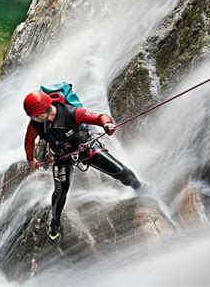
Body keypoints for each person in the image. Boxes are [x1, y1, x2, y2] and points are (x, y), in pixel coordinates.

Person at [23, 91, 142, 242]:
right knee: (60, 193)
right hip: (61, 158)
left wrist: (107, 123)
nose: (33, 119)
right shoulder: (36, 124)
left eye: (34, 116)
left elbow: (98, 117)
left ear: (43, 112)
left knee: (120, 171)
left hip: (85, 148)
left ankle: (140, 188)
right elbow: (29, 140)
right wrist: (30, 159)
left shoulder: (71, 113)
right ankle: (55, 223)